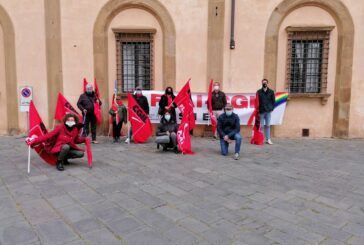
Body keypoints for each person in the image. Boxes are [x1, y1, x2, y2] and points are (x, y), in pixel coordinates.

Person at [257, 79, 275, 145]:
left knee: (268, 126)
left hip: (268, 111)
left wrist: (271, 108)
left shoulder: (271, 92)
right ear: (261, 83)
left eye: (265, 83)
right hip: (261, 111)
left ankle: (268, 139)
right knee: (261, 126)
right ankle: (261, 139)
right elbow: (257, 101)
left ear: (267, 83)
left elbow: (273, 101)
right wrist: (258, 109)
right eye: (263, 83)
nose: (264, 84)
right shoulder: (258, 92)